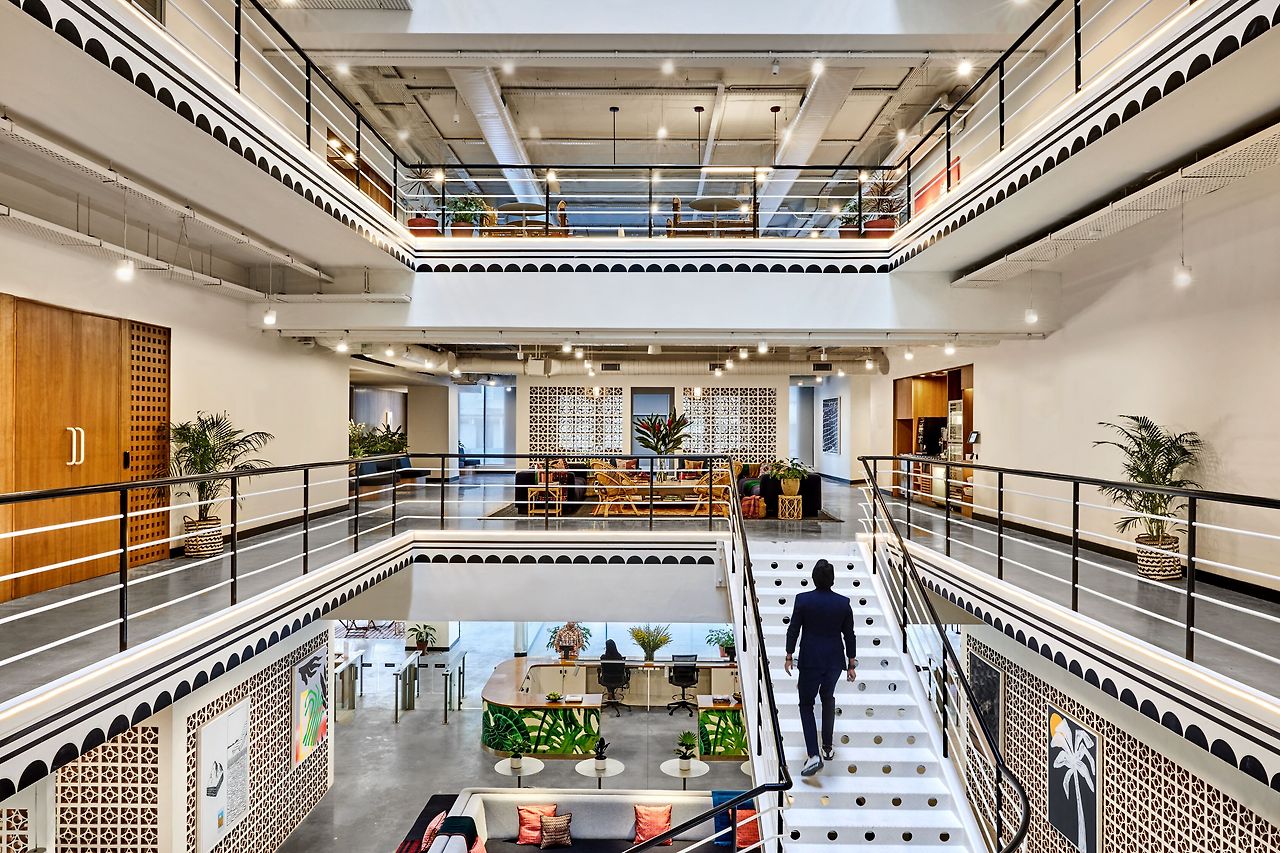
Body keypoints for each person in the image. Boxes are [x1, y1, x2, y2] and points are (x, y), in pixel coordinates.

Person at [784, 558, 857, 777]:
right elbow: (849, 634)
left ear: (813, 578)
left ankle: (813, 755)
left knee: (806, 704)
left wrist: (789, 655)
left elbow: (793, 629)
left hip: (810, 661)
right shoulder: (843, 603)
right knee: (827, 698)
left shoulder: (803, 600)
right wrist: (851, 663)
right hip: (835, 661)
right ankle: (827, 747)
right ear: (832, 579)